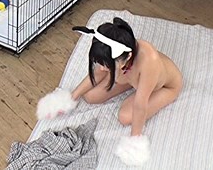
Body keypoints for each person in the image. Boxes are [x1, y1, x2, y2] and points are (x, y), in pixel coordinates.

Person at [36, 17, 183, 166]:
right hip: (130, 74)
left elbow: (140, 104)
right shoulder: (117, 53)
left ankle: (135, 85)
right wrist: (70, 98)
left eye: (106, 65)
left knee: (125, 116)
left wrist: (135, 141)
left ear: (128, 57)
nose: (102, 68)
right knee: (90, 96)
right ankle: (126, 79)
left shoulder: (149, 63)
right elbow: (98, 73)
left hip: (165, 86)